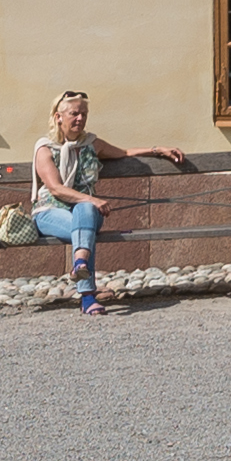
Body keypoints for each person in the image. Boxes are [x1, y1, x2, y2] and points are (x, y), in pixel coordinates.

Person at [28, 91, 183, 316]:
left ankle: (80, 265)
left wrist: (158, 150)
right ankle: (87, 294)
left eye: (84, 114)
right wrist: (93, 199)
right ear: (58, 117)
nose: (80, 118)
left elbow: (125, 152)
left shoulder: (92, 144)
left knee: (85, 213)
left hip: (85, 213)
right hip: (49, 212)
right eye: (74, 113)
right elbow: (55, 189)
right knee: (85, 222)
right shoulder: (45, 148)